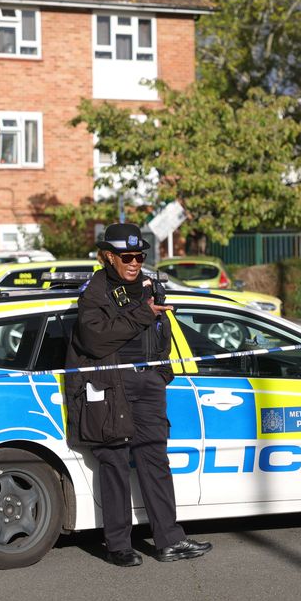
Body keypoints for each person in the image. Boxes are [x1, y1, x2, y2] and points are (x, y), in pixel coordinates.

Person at [64, 223, 212, 567]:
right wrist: (143, 314)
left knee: (155, 461)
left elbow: (162, 331)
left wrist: (161, 374)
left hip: (148, 384)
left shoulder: (149, 287)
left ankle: (169, 541)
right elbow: (95, 339)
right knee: (114, 463)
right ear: (109, 257)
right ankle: (118, 545)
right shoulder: (95, 291)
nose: (134, 263)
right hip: (111, 385)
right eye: (127, 257)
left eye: (140, 256)